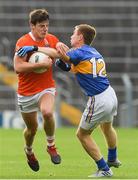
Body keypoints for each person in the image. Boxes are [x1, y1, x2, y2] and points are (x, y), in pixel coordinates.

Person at [17, 24, 121, 177]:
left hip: (99, 99)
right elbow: (74, 66)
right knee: (107, 127)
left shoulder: (77, 52)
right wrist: (64, 65)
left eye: (74, 33)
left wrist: (34, 47)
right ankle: (112, 158)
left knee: (82, 135)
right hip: (110, 94)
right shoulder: (92, 51)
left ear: (80, 37)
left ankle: (104, 169)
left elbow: (62, 56)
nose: (71, 36)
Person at [13, 9, 62, 172]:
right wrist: (38, 65)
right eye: (41, 26)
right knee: (31, 130)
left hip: (46, 88)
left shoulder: (51, 39)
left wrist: (35, 49)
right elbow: (18, 66)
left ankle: (51, 145)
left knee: (47, 112)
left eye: (47, 26)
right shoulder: (22, 41)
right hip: (26, 93)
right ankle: (29, 151)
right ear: (32, 26)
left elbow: (58, 53)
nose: (45, 29)